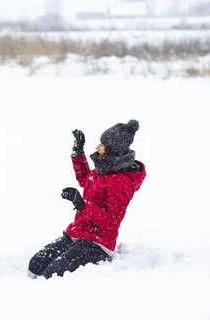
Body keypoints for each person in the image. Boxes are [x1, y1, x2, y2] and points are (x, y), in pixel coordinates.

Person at [28, 119, 147, 279]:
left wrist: (82, 205)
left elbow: (112, 221)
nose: (98, 147)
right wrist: (78, 153)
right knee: (36, 265)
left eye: (103, 145)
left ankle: (103, 261)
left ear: (113, 151)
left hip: (99, 243)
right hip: (79, 232)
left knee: (52, 274)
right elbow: (86, 179)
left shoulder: (121, 182)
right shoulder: (104, 168)